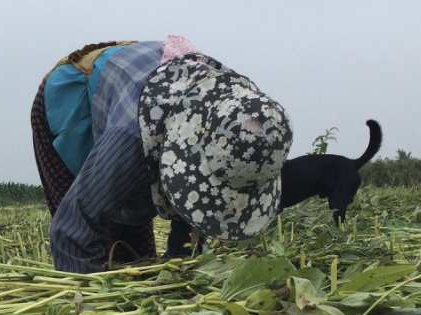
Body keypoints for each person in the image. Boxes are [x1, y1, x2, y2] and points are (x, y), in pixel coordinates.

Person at [30, 36, 293, 274]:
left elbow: (199, 201)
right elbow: (73, 229)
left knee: (139, 256)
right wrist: (89, 306)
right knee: (106, 226)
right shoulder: (130, 140)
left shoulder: (246, 126)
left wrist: (180, 271)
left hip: (143, 86)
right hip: (74, 95)